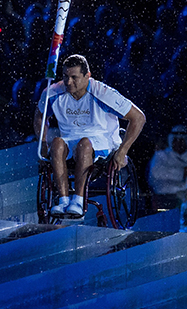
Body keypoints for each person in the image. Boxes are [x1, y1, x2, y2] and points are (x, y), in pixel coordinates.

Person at [34, 54, 146, 218]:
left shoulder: (102, 93)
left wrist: (122, 151)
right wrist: (43, 144)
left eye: (74, 77)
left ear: (87, 75)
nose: (68, 82)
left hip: (101, 139)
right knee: (57, 143)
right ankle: (64, 200)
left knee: (84, 144)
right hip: (69, 138)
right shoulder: (52, 92)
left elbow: (138, 117)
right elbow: (39, 116)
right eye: (65, 76)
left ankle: (78, 200)